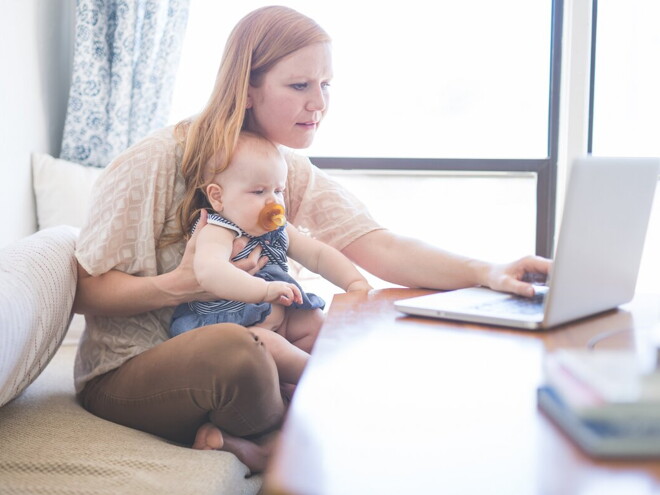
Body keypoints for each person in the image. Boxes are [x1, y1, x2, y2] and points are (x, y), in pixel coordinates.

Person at [73, 5, 551, 474]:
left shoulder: (280, 169)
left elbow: (375, 244)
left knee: (344, 339)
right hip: (128, 372)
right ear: (247, 89)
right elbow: (85, 291)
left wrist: (488, 272)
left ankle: (274, 439)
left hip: (248, 351)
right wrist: (182, 285)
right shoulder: (155, 160)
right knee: (241, 350)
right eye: (299, 85)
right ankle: (294, 427)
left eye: (325, 85)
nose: (318, 103)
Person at [169, 130, 372, 386]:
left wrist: (354, 283)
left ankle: (293, 388)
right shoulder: (217, 231)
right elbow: (210, 272)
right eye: (258, 192)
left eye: (278, 191)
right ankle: (324, 380)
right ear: (217, 197)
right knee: (269, 347)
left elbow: (317, 254)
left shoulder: (278, 227)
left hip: (281, 317)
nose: (272, 202)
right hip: (237, 330)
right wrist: (264, 291)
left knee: (317, 323)